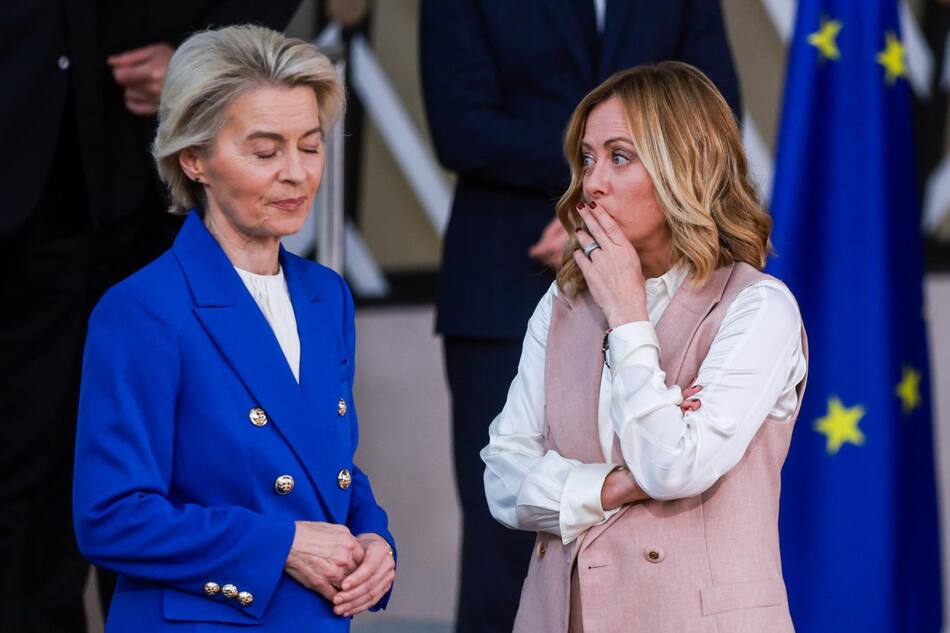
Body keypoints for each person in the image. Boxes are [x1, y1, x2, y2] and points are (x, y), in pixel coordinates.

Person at [419, 3, 741, 629]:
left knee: (671, 515)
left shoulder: (755, 307)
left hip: (668, 273)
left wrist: (613, 200)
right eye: (594, 162)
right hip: (504, 277)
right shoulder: (590, 189)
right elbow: (459, 121)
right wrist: (589, 190)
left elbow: (713, 109)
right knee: (502, 550)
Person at [73, 25, 396, 632]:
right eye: (266, 151)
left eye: (311, 145)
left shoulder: (327, 296)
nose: (297, 173)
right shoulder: (142, 310)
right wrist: (281, 544)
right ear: (193, 159)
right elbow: (110, 517)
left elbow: (321, 461)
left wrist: (375, 539)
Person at [0, 4, 300, 630]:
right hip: (21, 185)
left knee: (180, 464)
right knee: (23, 471)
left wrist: (201, 61)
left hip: (149, 185)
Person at [481, 62, 808, 633]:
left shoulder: (759, 308)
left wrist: (629, 315)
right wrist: (612, 486)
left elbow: (673, 465)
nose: (592, 182)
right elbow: (503, 478)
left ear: (687, 166)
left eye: (620, 156)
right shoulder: (561, 305)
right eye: (586, 158)